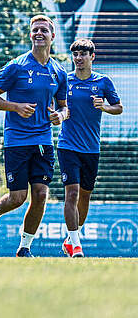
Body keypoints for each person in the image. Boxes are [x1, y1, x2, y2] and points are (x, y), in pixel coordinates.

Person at [0, 14, 68, 257]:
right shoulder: (16, 65)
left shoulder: (59, 72)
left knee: (40, 195)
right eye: (35, 30)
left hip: (43, 141)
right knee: (18, 197)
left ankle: (24, 248)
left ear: (52, 36)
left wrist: (60, 116)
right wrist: (16, 106)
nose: (39, 33)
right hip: (17, 140)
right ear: (30, 35)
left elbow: (64, 106)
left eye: (43, 30)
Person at [58, 38, 121, 258]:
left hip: (91, 149)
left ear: (92, 57)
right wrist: (60, 115)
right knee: (72, 193)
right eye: (75, 55)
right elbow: (60, 107)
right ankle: (76, 245)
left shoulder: (103, 82)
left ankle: (70, 239)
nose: (78, 59)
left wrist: (104, 106)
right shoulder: (65, 80)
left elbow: (118, 107)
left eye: (83, 54)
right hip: (67, 145)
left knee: (84, 196)